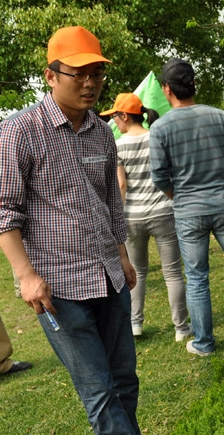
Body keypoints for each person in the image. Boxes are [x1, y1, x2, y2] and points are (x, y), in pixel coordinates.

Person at [0, 26, 140, 434]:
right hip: (58, 287)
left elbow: (111, 200)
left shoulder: (102, 131)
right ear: (50, 75)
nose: (89, 83)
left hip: (109, 278)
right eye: (78, 74)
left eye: (96, 73)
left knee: (125, 382)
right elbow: (5, 210)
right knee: (100, 393)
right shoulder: (20, 131)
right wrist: (26, 276)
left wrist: (121, 255)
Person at [149, 58, 224, 357]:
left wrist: (177, 195)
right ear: (193, 84)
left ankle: (204, 343)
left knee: (197, 278)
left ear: (167, 89)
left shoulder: (160, 127)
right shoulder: (219, 116)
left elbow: (159, 176)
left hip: (188, 211)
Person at [100, 93, 191, 341]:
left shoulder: (118, 145)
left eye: (114, 117)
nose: (113, 122)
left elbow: (121, 184)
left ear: (124, 116)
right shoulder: (156, 138)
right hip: (164, 212)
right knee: (172, 273)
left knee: (137, 273)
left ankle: (135, 324)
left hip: (133, 217)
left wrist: (117, 216)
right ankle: (181, 328)